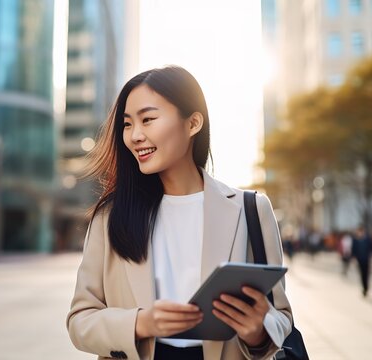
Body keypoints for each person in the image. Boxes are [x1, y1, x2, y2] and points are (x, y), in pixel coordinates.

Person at [66, 66, 292, 360]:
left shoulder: (250, 208)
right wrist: (140, 322)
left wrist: (258, 331)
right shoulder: (111, 216)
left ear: (193, 123)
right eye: (127, 124)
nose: (135, 135)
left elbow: (281, 315)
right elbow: (79, 320)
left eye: (148, 119)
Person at [352, 225, 372, 297]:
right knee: (362, 274)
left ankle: (366, 287)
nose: (359, 233)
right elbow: (353, 249)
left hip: (366, 259)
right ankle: (364, 287)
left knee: (366, 273)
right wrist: (353, 257)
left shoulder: (367, 239)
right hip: (359, 260)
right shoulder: (355, 240)